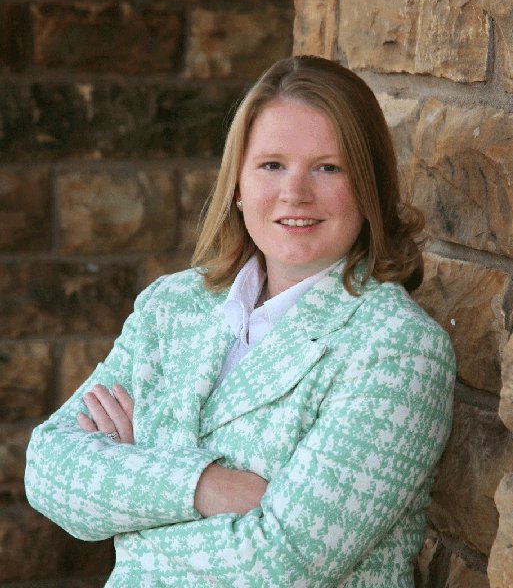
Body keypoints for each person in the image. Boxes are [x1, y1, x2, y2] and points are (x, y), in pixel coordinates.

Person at [25, 55, 455, 587]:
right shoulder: (174, 306)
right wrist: (206, 486)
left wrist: (127, 519)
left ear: (370, 187)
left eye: (328, 167)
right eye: (272, 165)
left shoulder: (398, 348)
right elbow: (49, 467)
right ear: (237, 184)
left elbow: (279, 565)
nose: (294, 194)